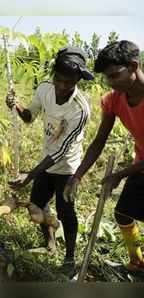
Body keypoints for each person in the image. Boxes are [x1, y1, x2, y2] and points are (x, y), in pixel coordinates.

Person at [6, 46, 93, 277]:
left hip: (66, 167)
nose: (63, 87)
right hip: (45, 163)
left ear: (77, 81)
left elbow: (62, 151)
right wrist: (16, 105)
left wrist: (29, 175)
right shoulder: (44, 89)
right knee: (37, 205)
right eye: (59, 80)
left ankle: (70, 256)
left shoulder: (80, 109)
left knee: (66, 212)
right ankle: (50, 244)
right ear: (53, 75)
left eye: (70, 83)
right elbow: (29, 117)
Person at [64, 40, 144, 273]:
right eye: (107, 77)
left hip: (136, 167)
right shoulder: (114, 99)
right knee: (124, 212)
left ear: (133, 65)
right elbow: (99, 141)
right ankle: (137, 262)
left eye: (114, 75)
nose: (110, 82)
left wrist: (119, 175)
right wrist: (77, 176)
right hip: (140, 165)